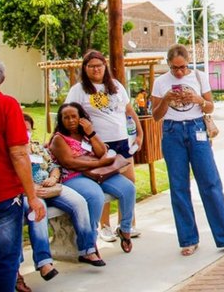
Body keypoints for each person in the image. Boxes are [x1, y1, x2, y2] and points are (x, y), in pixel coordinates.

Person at [151, 45, 224, 256]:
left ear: (188, 62)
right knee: (179, 187)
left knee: (210, 183)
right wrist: (166, 98)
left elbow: (210, 107)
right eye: (175, 68)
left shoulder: (199, 77)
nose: (180, 72)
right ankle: (188, 239)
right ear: (168, 64)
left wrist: (198, 100)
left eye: (183, 67)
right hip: (172, 131)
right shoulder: (161, 82)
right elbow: (156, 115)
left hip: (196, 128)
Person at [65, 50, 143, 242]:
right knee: (103, 182)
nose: (96, 69)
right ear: (85, 69)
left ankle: (127, 224)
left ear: (105, 66)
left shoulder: (115, 86)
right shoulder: (79, 89)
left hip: (122, 141)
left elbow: (129, 110)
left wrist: (140, 134)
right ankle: (105, 225)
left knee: (129, 182)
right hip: (98, 144)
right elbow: (68, 113)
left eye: (99, 65)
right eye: (91, 66)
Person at [19, 114, 106, 285]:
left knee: (79, 202)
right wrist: (30, 189)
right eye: (21, 129)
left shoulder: (36, 147)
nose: (25, 133)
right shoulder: (12, 152)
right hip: (30, 192)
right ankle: (44, 262)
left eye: (27, 129)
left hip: (51, 187)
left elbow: (53, 165)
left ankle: (87, 249)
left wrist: (53, 177)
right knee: (38, 212)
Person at [49, 102, 136, 253]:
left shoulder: (85, 134)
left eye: (74, 116)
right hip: (75, 176)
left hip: (98, 172)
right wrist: (98, 162)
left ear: (81, 117)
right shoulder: (59, 139)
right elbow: (70, 163)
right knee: (96, 196)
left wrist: (91, 132)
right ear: (61, 120)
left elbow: (102, 151)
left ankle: (125, 229)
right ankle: (91, 239)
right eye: (66, 117)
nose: (71, 120)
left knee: (128, 188)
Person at [0, 60, 46, 291]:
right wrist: (32, 196)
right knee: (4, 261)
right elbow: (19, 154)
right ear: (1, 79)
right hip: (2, 195)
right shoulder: (5, 104)